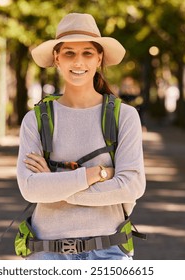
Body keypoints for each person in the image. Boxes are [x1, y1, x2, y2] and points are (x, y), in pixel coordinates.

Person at [16, 13, 146, 260]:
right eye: (69, 53)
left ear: (99, 58)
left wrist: (56, 187)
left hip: (110, 251)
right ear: (56, 59)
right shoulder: (35, 119)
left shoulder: (124, 117)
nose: (78, 62)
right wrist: (96, 174)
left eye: (87, 53)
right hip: (46, 253)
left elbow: (132, 185)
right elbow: (31, 189)